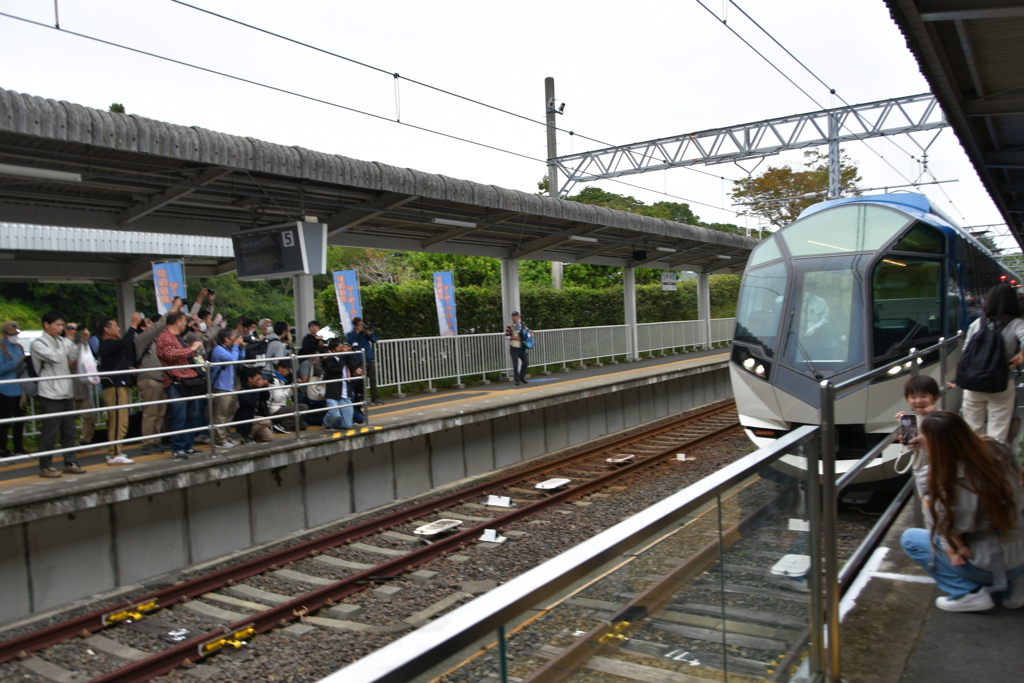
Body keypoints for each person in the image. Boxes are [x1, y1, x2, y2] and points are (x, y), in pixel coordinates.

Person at [901, 411, 1024, 612]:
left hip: (990, 561)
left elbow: (947, 526)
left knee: (911, 539)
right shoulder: (998, 448)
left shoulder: (943, 477)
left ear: (936, 444)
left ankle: (967, 593)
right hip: (1020, 550)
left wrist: (953, 547)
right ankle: (1014, 587)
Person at [955, 284, 1024, 442]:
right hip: (1001, 383)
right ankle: (993, 462)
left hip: (973, 383)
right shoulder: (1016, 324)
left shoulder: (977, 324)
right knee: (997, 431)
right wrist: (1020, 355)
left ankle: (974, 463)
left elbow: (966, 352)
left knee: (973, 429)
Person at [30, 311, 88, 478]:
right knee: (50, 431)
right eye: (58, 325)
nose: (61, 328)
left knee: (69, 431)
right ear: (46, 325)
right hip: (50, 393)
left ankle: (70, 461)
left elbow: (74, 356)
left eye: (63, 325)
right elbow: (55, 357)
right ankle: (45, 465)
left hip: (66, 391)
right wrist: (69, 338)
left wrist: (83, 340)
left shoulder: (62, 340)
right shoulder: (38, 343)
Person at [156, 311, 206, 460]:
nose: (185, 324)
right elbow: (170, 355)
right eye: (184, 321)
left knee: (192, 415)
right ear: (178, 321)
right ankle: (178, 448)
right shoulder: (165, 336)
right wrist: (191, 349)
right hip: (175, 381)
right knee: (179, 416)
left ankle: (188, 445)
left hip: (188, 381)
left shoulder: (179, 338)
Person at [134, 302, 181, 456]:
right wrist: (173, 309)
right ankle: (148, 442)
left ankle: (156, 440)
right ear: (142, 327)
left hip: (162, 379)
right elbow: (159, 326)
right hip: (149, 378)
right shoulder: (142, 339)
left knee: (160, 414)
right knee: (150, 413)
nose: (152, 325)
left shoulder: (160, 340)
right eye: (148, 322)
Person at [96, 315, 140, 465]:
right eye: (115, 326)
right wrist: (133, 325)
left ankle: (115, 450)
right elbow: (125, 343)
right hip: (114, 385)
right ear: (106, 329)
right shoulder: (107, 343)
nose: (119, 328)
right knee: (117, 420)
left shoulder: (111, 345)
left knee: (121, 419)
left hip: (120, 384)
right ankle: (115, 453)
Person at [895, 375, 942, 502]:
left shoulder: (940, 417)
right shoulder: (913, 419)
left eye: (924, 396)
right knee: (926, 502)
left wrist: (936, 412)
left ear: (936, 397)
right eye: (913, 397)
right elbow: (911, 445)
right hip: (919, 467)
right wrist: (904, 426)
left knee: (939, 501)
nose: (918, 401)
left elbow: (945, 437)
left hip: (940, 468)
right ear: (907, 399)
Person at [209, 327, 244, 448]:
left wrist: (241, 348)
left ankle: (227, 436)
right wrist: (236, 347)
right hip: (222, 386)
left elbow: (240, 360)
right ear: (226, 339)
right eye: (234, 337)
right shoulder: (218, 349)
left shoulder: (230, 349)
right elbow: (232, 360)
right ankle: (219, 439)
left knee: (230, 413)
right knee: (221, 414)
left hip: (232, 386)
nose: (236, 339)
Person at [322, 338, 365, 430]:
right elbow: (336, 370)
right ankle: (326, 422)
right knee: (334, 413)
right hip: (333, 393)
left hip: (346, 394)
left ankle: (334, 424)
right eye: (340, 347)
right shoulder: (329, 359)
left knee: (347, 425)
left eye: (343, 346)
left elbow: (354, 367)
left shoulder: (345, 357)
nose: (343, 348)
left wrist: (348, 355)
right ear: (333, 349)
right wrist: (342, 356)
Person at [0, 321, 26, 458]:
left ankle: (19, 447)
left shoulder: (19, 347)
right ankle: (2, 448)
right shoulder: (1, 347)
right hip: (5, 390)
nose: (15, 336)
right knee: (4, 422)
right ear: (4, 334)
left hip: (20, 390)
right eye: (12, 334)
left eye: (16, 334)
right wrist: (16, 362)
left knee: (20, 421)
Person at [346, 317, 382, 405]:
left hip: (369, 359)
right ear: (355, 325)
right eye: (360, 325)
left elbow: (374, 340)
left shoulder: (365, 334)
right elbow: (350, 341)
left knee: (373, 379)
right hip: (358, 360)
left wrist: (369, 333)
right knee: (360, 381)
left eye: (362, 324)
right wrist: (357, 332)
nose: (362, 326)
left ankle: (375, 399)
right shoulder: (350, 334)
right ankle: (360, 399)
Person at [234, 367, 274, 443]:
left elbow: (266, 397)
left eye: (261, 378)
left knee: (269, 438)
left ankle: (251, 437)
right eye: (258, 379)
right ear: (250, 379)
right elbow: (252, 401)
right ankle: (247, 436)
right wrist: (257, 388)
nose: (260, 381)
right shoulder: (243, 391)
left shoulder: (256, 388)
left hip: (255, 420)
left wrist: (265, 387)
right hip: (245, 419)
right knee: (266, 421)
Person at [505, 310, 531, 385]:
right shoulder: (510, 326)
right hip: (514, 347)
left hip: (522, 347)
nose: (514, 317)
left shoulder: (523, 324)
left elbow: (528, 331)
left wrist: (531, 333)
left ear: (519, 317)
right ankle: (517, 380)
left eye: (515, 316)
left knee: (526, 362)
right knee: (515, 364)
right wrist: (513, 338)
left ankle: (522, 377)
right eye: (513, 316)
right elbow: (506, 336)